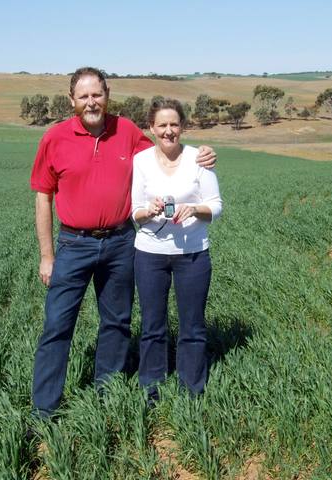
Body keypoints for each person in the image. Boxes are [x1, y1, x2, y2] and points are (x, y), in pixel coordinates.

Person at [29, 67, 216, 418]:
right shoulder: (54, 138)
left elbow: (167, 150)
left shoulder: (127, 131)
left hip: (119, 243)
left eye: (96, 94)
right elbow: (43, 196)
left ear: (107, 94)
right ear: (72, 100)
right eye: (83, 96)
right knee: (57, 325)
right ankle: (43, 410)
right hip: (74, 244)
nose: (91, 102)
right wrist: (46, 255)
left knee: (116, 322)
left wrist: (200, 153)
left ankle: (107, 394)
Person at [131, 98, 222, 402]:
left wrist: (195, 209)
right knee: (152, 324)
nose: (169, 131)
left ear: (183, 126)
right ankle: (151, 388)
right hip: (149, 254)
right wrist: (149, 209)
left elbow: (216, 206)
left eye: (174, 124)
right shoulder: (141, 161)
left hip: (193, 253)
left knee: (192, 325)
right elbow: (134, 212)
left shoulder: (200, 158)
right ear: (152, 128)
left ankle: (192, 389)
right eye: (162, 125)